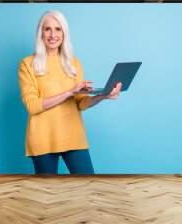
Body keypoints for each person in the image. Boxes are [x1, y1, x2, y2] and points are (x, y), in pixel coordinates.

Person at [18, 10, 122, 175]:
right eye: (48, 29)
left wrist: (103, 96)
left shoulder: (73, 63)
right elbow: (32, 106)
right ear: (41, 33)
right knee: (47, 195)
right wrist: (69, 92)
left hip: (73, 136)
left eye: (58, 29)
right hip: (43, 139)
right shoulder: (28, 64)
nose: (53, 35)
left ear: (64, 33)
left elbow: (80, 102)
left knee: (88, 186)